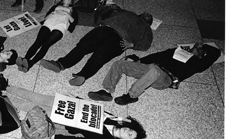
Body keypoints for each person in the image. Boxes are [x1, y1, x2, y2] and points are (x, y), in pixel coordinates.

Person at [0, 74, 146, 139]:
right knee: (37, 97)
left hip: (65, 119)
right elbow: (91, 108)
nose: (128, 131)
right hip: (68, 105)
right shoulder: (114, 119)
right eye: (131, 129)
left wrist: (57, 138)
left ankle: (2, 96)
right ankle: (7, 88)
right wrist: (76, 99)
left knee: (31, 107)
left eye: (130, 135)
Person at [40, 9, 154, 86]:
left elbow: (146, 45)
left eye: (149, 16)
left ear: (149, 23)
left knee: (99, 56)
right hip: (105, 29)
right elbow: (108, 12)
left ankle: (83, 75)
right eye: (146, 13)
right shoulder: (129, 13)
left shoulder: (146, 29)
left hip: (120, 40)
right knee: (83, 46)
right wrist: (101, 22)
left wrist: (132, 45)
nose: (147, 14)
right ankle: (60, 64)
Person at [88, 42, 222, 105]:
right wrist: (139, 60)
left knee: (155, 70)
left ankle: (132, 95)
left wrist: (204, 45)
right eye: (195, 46)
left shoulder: (198, 63)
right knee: (120, 63)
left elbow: (216, 53)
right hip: (150, 69)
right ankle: (107, 91)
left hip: (166, 79)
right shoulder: (177, 51)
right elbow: (157, 55)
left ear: (202, 55)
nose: (195, 48)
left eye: (198, 49)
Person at [16, 0, 78, 72]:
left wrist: (67, 14)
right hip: (49, 23)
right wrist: (53, 12)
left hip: (60, 26)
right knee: (37, 42)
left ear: (71, 2)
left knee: (45, 45)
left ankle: (30, 63)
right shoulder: (56, 7)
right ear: (62, 0)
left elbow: (74, 22)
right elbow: (46, 18)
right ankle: (25, 60)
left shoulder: (72, 9)